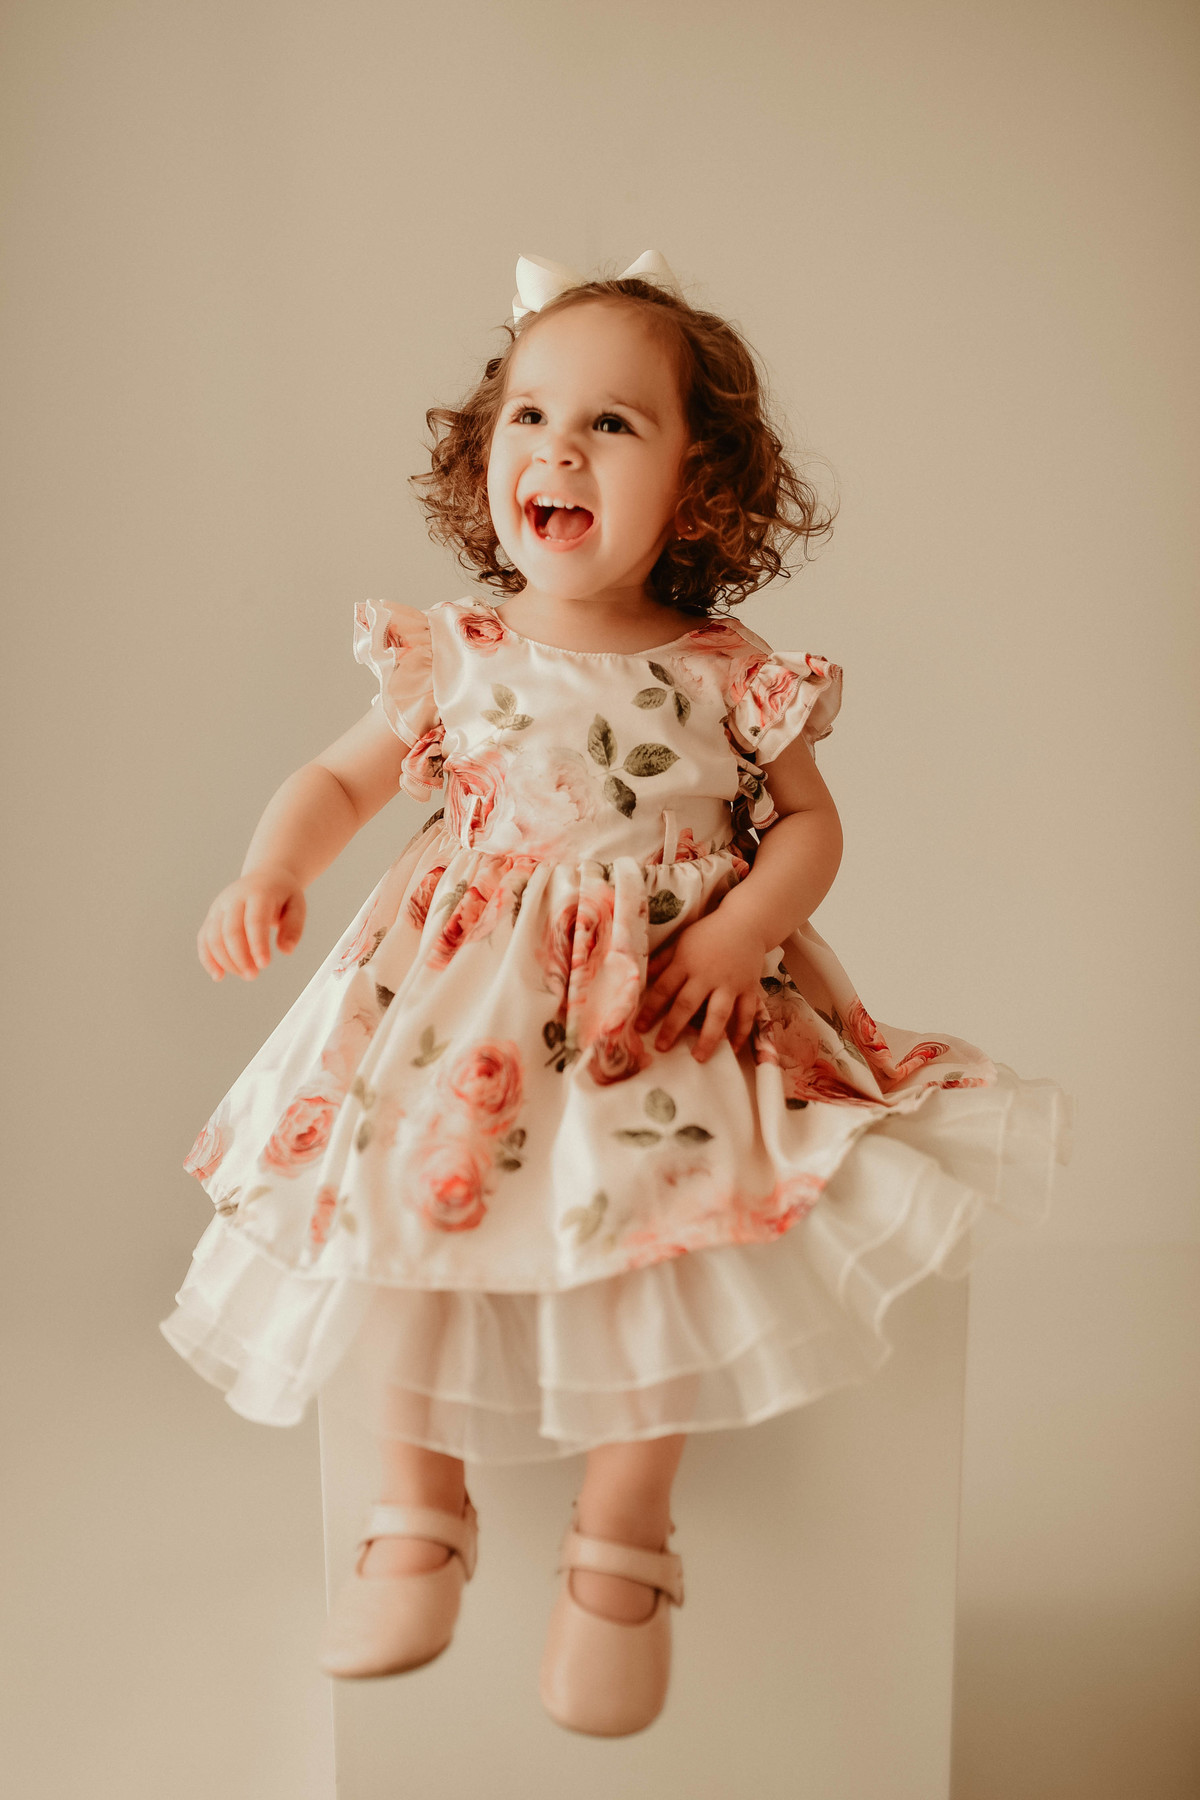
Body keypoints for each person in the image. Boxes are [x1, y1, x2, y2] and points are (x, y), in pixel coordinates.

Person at [161, 251, 1069, 1737]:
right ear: (487, 455)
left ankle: (623, 1550)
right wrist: (274, 867)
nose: (559, 449)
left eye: (612, 424)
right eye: (529, 416)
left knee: (669, 1230)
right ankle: (414, 1518)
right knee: (397, 1208)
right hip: (463, 1014)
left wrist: (741, 930)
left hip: (669, 1004)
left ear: (697, 490)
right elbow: (340, 780)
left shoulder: (726, 669)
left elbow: (812, 826)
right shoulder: (459, 655)